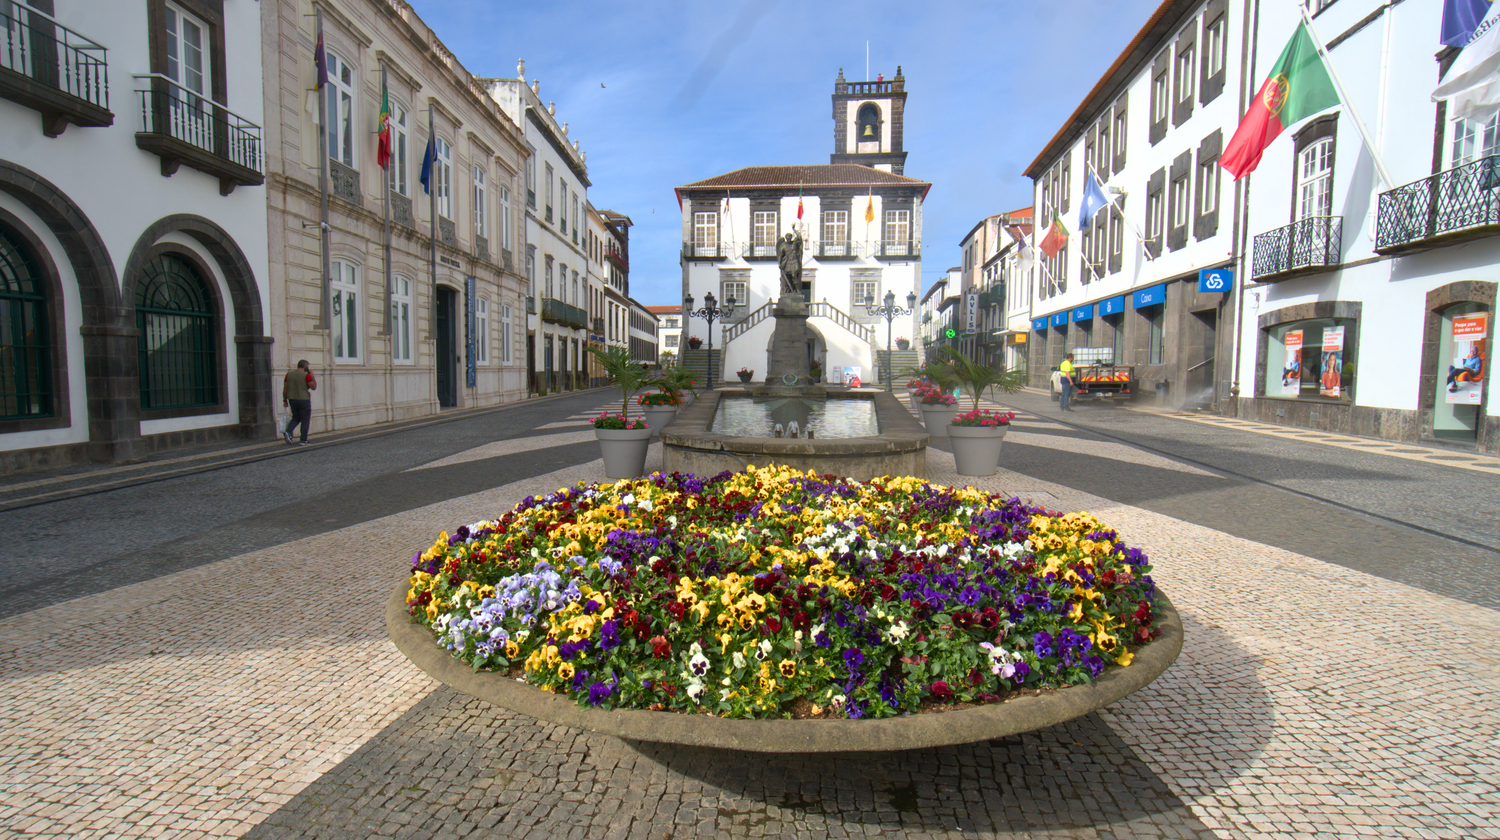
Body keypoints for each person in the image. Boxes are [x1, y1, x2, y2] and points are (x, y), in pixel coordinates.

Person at [283, 359, 317, 445]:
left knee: (295, 417)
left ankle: (288, 431)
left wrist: (285, 400)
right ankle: (303, 440)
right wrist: (312, 376)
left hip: (292, 399)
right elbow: (313, 387)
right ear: (305, 367)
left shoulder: (288, 374)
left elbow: (285, 388)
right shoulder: (306, 375)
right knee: (305, 420)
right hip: (304, 400)